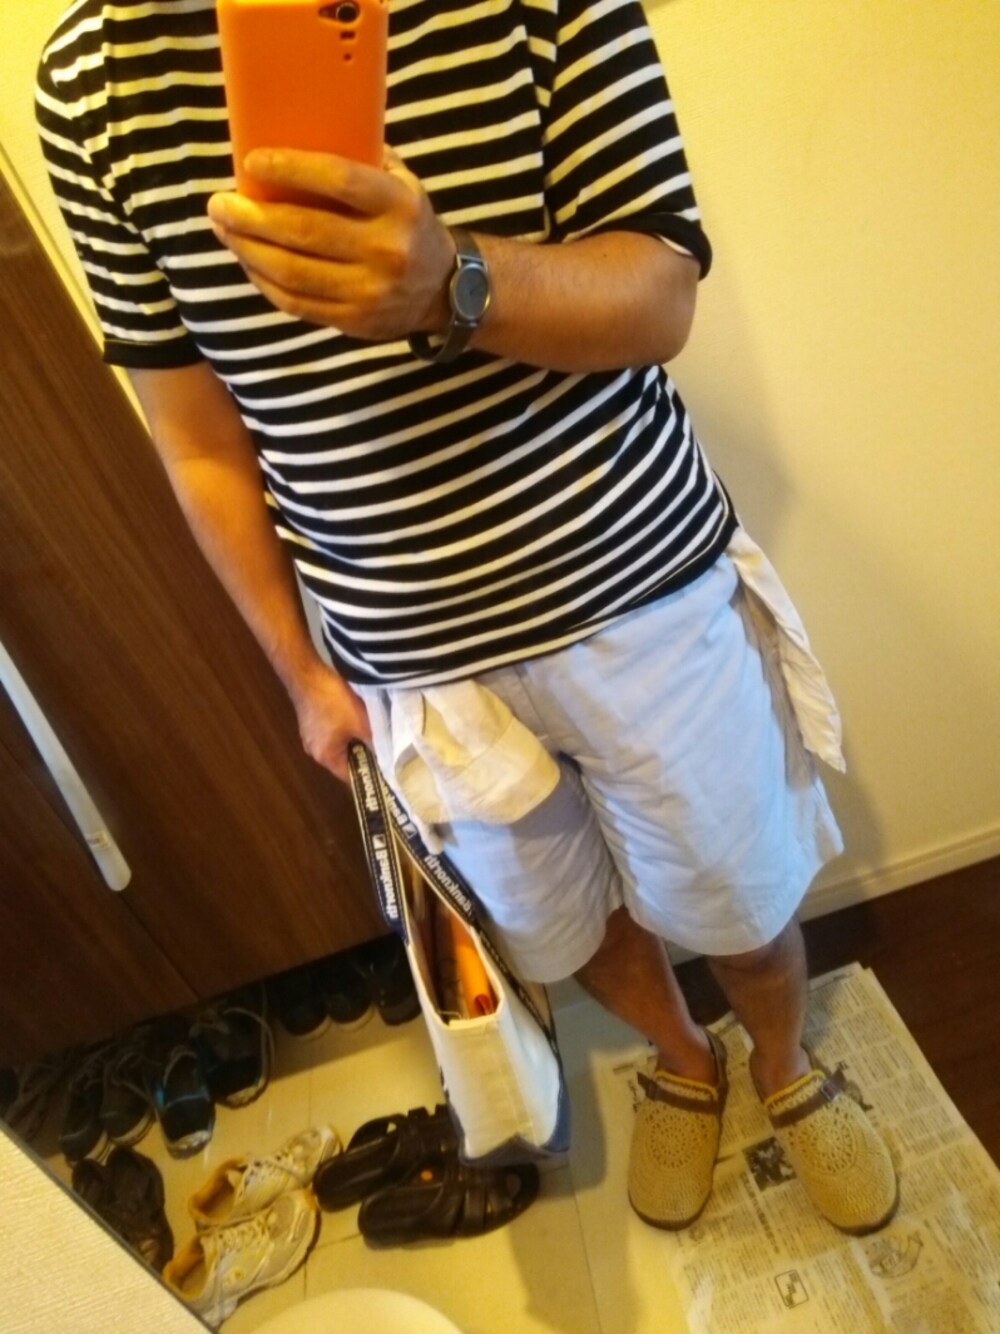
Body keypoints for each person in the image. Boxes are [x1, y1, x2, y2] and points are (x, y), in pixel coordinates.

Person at [37, 0, 897, 1236]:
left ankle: (783, 1062)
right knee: (560, 927)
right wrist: (301, 675)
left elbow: (659, 291)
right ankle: (684, 1058)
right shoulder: (90, 84)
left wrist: (453, 281)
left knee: (741, 898)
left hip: (637, 591)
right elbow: (198, 437)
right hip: (411, 664)